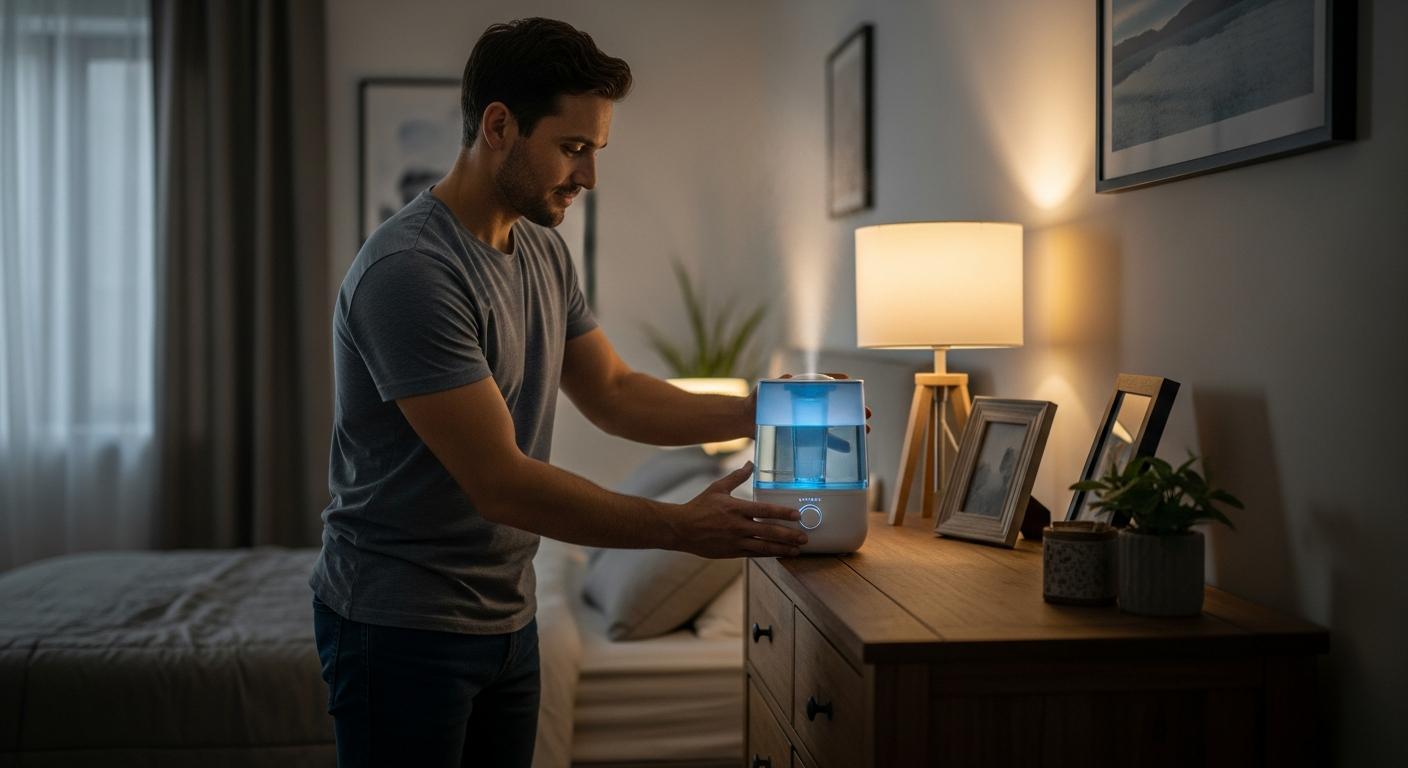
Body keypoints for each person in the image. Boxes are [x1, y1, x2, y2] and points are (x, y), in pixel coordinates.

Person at [309, 17, 822, 768]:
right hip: (400, 625)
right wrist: (681, 528)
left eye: (595, 151)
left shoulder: (542, 251)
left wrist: (763, 409)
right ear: (498, 127)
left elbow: (614, 392)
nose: (589, 176)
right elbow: (501, 483)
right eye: (574, 147)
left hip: (508, 615)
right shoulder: (411, 272)